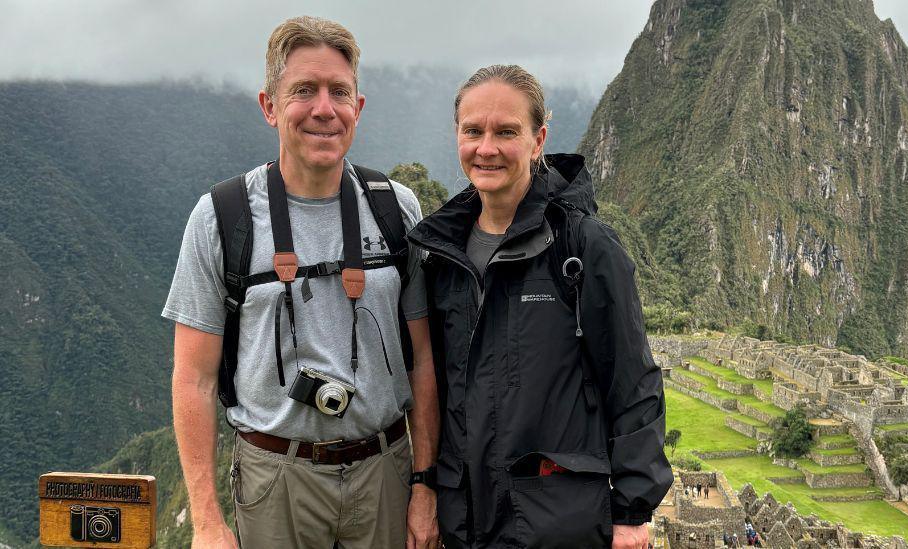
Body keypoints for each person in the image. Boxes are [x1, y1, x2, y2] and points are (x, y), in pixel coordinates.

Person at [164, 16, 439, 549]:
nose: (323, 109)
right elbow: (192, 379)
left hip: (384, 471)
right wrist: (205, 521)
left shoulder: (395, 209)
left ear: (358, 107)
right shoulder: (223, 216)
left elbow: (424, 359)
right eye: (303, 91)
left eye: (339, 92)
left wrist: (425, 486)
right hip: (275, 476)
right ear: (269, 106)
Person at [408, 64, 673, 548]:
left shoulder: (582, 248)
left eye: (506, 131)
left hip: (557, 521)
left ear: (538, 139)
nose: (486, 148)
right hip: (465, 520)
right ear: (458, 136)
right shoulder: (442, 255)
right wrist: (428, 490)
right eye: (473, 131)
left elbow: (633, 382)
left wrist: (633, 510)